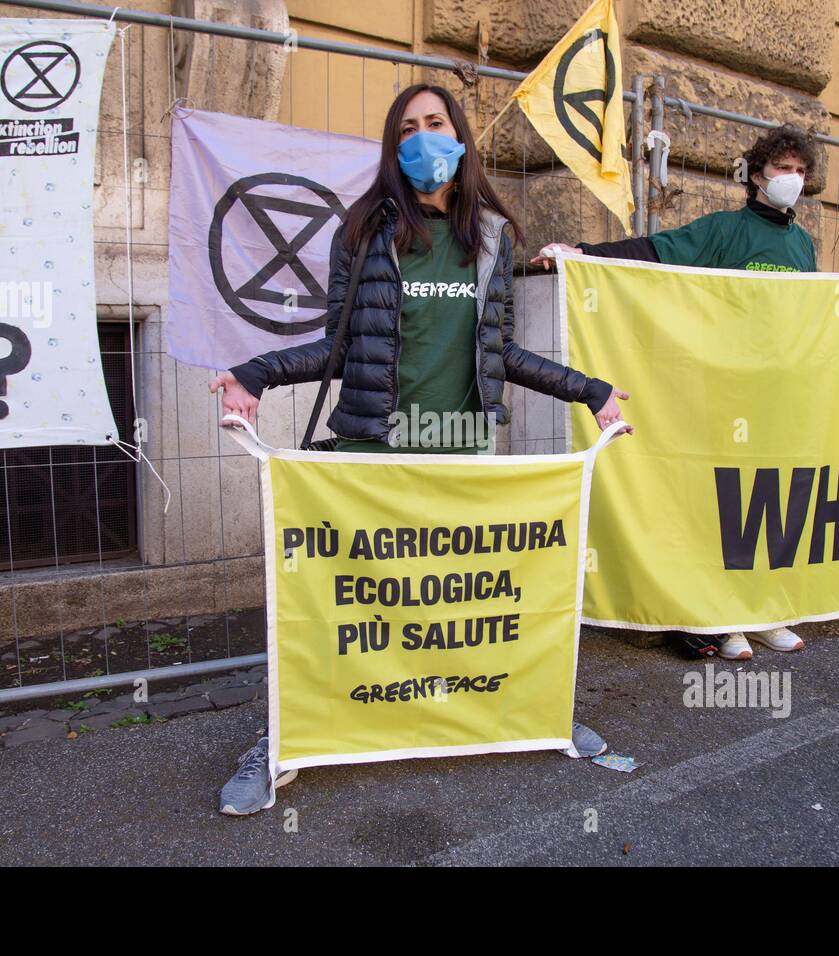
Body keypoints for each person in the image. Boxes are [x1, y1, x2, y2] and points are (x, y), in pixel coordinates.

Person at [210, 83, 631, 815]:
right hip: (374, 451)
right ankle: (279, 742)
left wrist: (589, 389)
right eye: (408, 128)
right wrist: (256, 373)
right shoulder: (364, 232)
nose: (422, 138)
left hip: (463, 454)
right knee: (337, 609)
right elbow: (337, 348)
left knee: (475, 603)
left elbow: (504, 355)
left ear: (460, 136)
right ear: (392, 146)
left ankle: (536, 714)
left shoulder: (493, 237)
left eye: (435, 123)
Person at [531, 124, 839, 661]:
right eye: (783, 169)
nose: (793, 179)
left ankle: (763, 610)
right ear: (757, 175)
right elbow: (654, 252)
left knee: (773, 500)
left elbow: (815, 310)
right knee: (726, 503)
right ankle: (723, 616)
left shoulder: (803, 243)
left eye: (801, 172)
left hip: (781, 396)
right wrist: (583, 252)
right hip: (727, 392)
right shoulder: (724, 229)